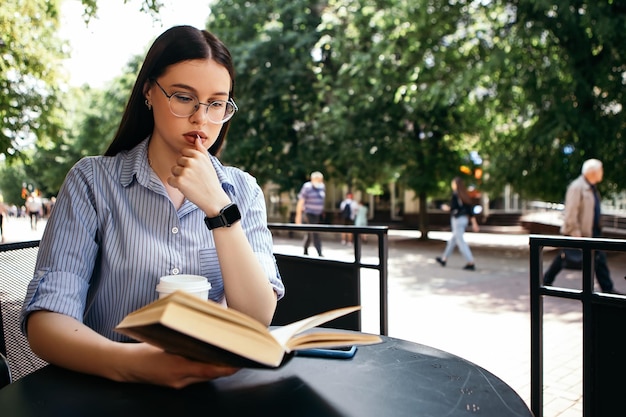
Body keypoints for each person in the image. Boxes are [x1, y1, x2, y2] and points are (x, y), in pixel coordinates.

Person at [20, 25, 284, 388]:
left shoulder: (242, 190)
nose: (201, 119)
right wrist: (133, 364)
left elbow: (256, 319)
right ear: (149, 92)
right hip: (104, 390)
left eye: (217, 103)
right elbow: (46, 323)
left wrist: (219, 208)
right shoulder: (93, 181)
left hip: (210, 393)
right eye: (183, 97)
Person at [542, 159, 621, 294]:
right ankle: (545, 281)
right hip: (579, 233)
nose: (602, 173)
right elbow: (571, 212)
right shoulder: (577, 187)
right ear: (592, 172)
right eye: (600, 170)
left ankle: (607, 289)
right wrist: (575, 231)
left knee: (599, 259)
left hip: (592, 232)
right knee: (564, 257)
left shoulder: (591, 188)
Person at [436, 177, 479, 270]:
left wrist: (445, 208)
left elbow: (452, 208)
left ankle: (470, 262)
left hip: (457, 220)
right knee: (453, 241)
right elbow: (470, 211)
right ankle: (444, 259)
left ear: (455, 185)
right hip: (464, 220)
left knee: (460, 242)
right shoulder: (464, 195)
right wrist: (474, 223)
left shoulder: (455, 195)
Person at [295, 171, 325, 256]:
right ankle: (319, 252)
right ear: (313, 179)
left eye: (321, 180)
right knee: (315, 231)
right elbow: (301, 201)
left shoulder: (322, 187)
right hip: (309, 213)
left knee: (310, 233)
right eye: (318, 180)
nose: (320, 182)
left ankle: (305, 250)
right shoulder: (307, 187)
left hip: (317, 214)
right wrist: (298, 217)